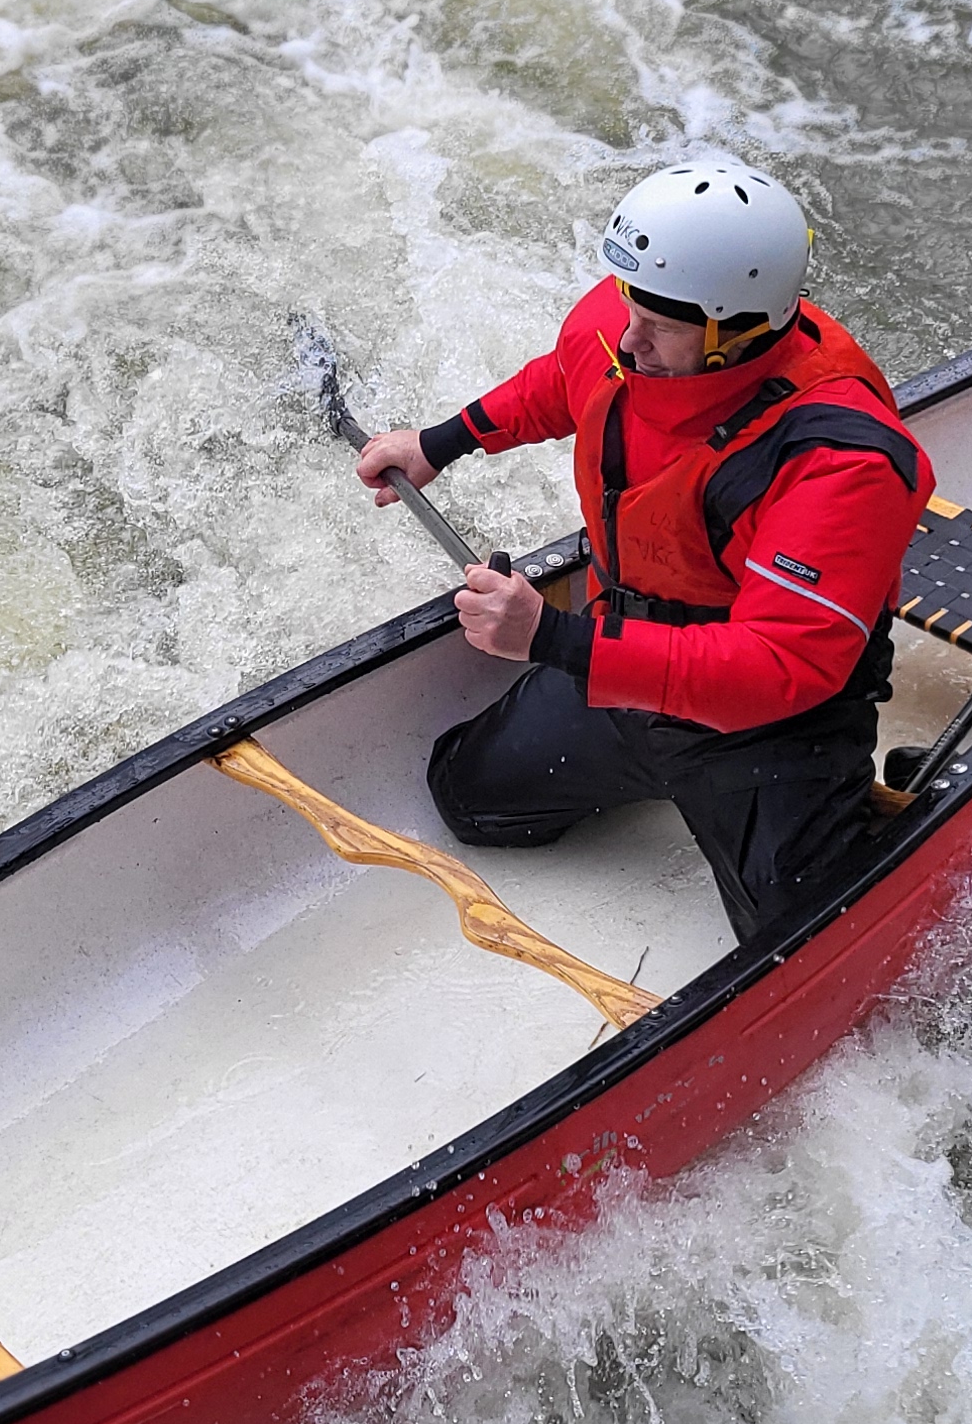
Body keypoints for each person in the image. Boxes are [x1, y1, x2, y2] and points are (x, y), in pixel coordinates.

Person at [354, 157, 935, 942]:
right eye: (630, 307)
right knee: (469, 801)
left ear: (740, 330)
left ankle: (886, 813)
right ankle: (665, 779)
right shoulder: (640, 317)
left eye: (659, 325)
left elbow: (782, 668)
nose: (629, 339)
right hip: (625, 671)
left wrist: (551, 637)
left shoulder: (842, 462)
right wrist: (441, 442)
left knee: (804, 944)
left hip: (766, 731)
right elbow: (564, 381)